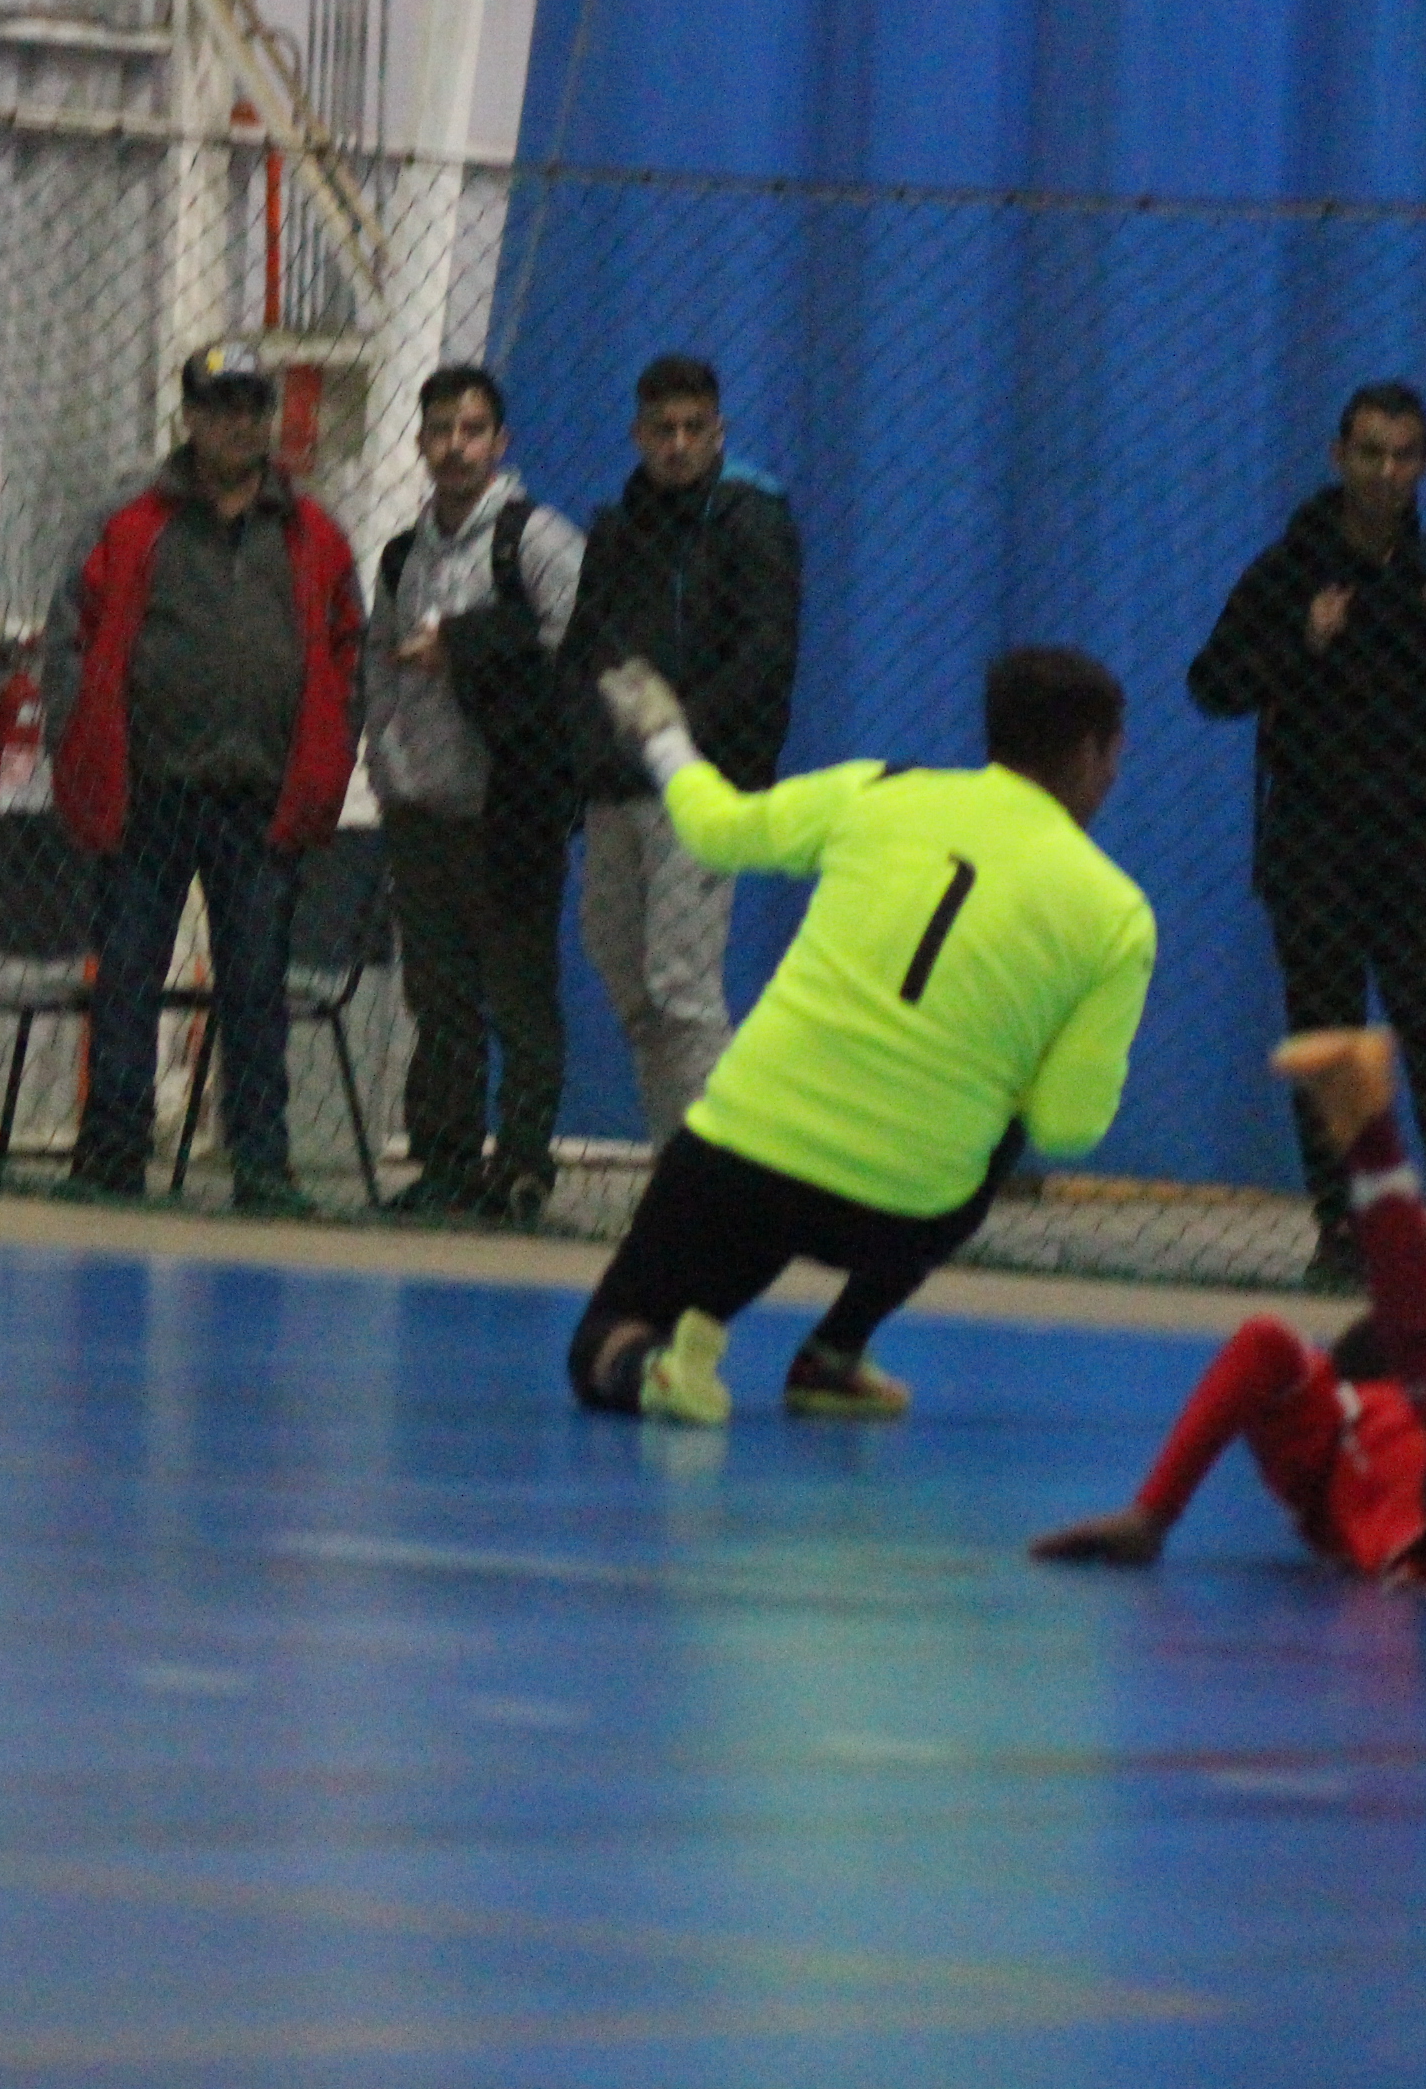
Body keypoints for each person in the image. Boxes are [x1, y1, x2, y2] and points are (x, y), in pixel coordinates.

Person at [565, 645, 1157, 1426]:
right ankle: (835, 1352)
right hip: (899, 1213)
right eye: (1114, 754)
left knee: (605, 1338)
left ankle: (654, 1370)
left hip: (746, 1165)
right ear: (1087, 753)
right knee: (1001, 1125)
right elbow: (1066, 1127)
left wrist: (665, 737)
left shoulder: (878, 791)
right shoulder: (1117, 915)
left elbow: (715, 831)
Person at [40, 338, 364, 1213]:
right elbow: (70, 637)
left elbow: (348, 654)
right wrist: (79, 747)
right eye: (219, 408)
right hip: (147, 792)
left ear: (268, 419)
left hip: (260, 800)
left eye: (252, 408)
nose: (237, 424)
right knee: (127, 977)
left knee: (255, 987)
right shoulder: (126, 522)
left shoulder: (316, 535)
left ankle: (261, 1163)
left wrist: (330, 759)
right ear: (189, 417)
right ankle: (111, 1154)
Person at [1187, 381, 1426, 1288]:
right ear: (1339, 456)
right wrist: (1303, 642)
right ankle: (1342, 1234)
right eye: (1371, 452)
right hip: (1314, 845)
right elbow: (1212, 683)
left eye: (1405, 455)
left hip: (1411, 848)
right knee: (1329, 1042)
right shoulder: (1290, 571)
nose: (1387, 471)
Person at [1034, 1030, 1425, 1581]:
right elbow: (1271, 1346)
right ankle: (1370, 1137)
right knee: (1276, 1340)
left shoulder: (1370, 1411)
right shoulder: (1344, 1419)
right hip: (1348, 1451)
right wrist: (1153, 1511)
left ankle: (1370, 1137)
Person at [558, 354, 801, 1150]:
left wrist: (677, 732)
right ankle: (681, 1154)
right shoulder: (620, 527)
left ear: (719, 431)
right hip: (618, 781)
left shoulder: (751, 520)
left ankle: (714, 1175)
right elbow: (587, 646)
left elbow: (765, 654)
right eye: (663, 429)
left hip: (701, 785)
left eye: (695, 428)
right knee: (620, 964)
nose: (679, 444)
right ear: (638, 434)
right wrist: (593, 746)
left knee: (680, 986)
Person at [360, 363, 586, 1222]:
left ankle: (522, 1165)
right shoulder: (401, 556)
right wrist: (388, 769)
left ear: (500, 442)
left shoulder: (537, 541)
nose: (455, 447)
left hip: (511, 810)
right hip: (423, 810)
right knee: (440, 999)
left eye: (472, 430)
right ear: (419, 442)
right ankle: (447, 1163)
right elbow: (379, 666)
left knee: (520, 997)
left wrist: (463, 642)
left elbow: (580, 642)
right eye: (440, 431)